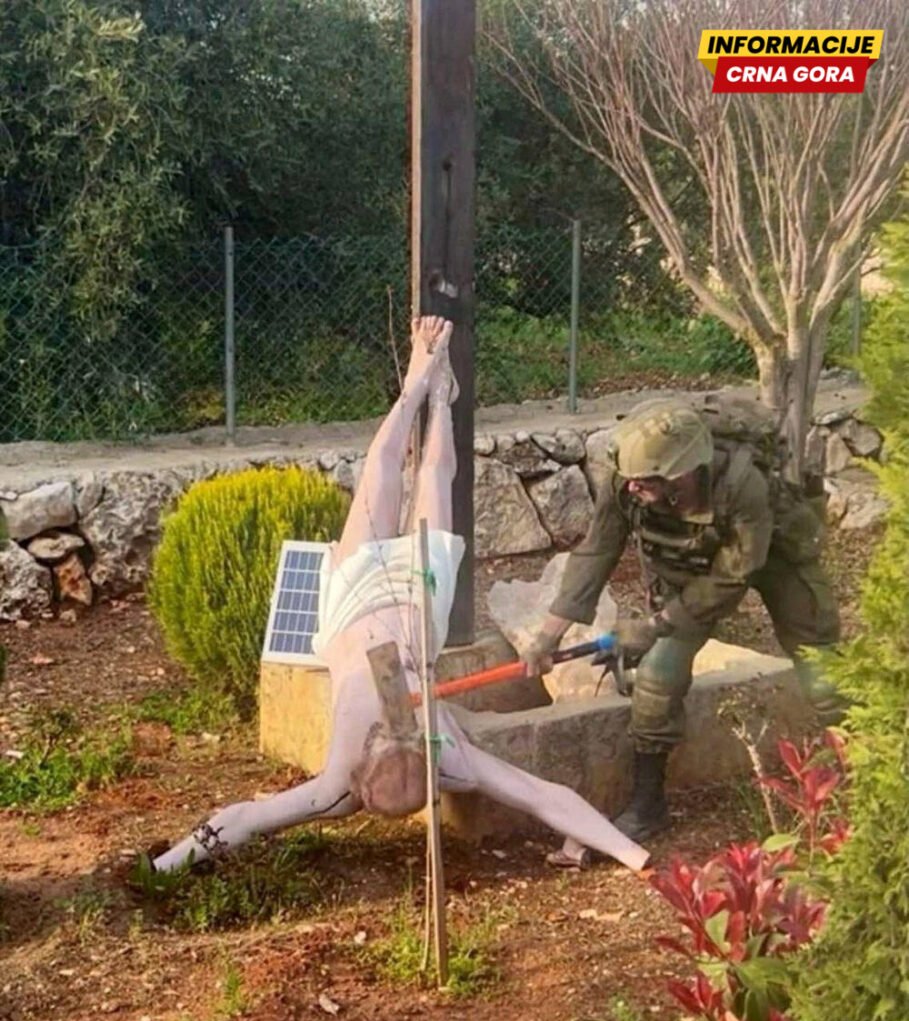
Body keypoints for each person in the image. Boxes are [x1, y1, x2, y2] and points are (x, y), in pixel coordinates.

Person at [151, 316, 650, 875]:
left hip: (352, 603)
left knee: (390, 473)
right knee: (428, 475)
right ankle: (431, 394)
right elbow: (544, 796)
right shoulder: (435, 764)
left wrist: (166, 866)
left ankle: (428, 389)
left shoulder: (360, 780)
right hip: (415, 601)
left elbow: (245, 817)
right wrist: (635, 857)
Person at [524, 397, 842, 850]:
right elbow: (596, 551)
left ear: (682, 472)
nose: (633, 487)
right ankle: (648, 805)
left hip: (773, 555)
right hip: (692, 569)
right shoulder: (626, 481)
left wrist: (655, 624)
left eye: (646, 480)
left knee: (819, 663)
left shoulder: (742, 484)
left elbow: (734, 574)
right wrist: (547, 636)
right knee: (658, 674)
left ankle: (859, 770)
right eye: (631, 478)